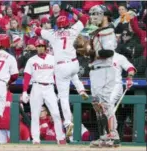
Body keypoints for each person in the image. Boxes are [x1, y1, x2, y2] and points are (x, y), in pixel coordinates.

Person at [34, 5, 89, 137]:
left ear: (58, 25)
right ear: (68, 23)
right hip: (74, 63)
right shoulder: (73, 30)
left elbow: (36, 31)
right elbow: (85, 18)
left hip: (61, 67)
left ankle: (68, 122)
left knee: (63, 98)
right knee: (73, 74)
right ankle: (81, 89)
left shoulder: (52, 34)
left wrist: (37, 25)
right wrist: (72, 8)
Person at [21, 39, 66, 145]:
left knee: (55, 113)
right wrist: (24, 91)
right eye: (38, 46)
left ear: (45, 47)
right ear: (36, 48)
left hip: (49, 87)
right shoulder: (32, 60)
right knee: (35, 115)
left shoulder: (53, 59)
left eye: (42, 45)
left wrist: (59, 90)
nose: (40, 47)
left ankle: (60, 137)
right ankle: (36, 139)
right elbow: (27, 76)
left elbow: (56, 76)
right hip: (36, 86)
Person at [86, 5, 117, 147]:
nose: (93, 17)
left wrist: (92, 53)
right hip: (95, 70)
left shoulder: (108, 31)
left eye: (97, 14)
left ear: (105, 15)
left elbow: (109, 52)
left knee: (104, 104)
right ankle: (104, 136)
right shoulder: (97, 31)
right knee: (97, 104)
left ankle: (113, 134)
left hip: (104, 69)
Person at [108, 52, 136, 145]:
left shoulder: (119, 57)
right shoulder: (99, 56)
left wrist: (129, 78)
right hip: (103, 87)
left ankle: (113, 134)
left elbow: (130, 68)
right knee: (104, 109)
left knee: (109, 103)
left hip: (116, 86)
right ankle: (110, 135)